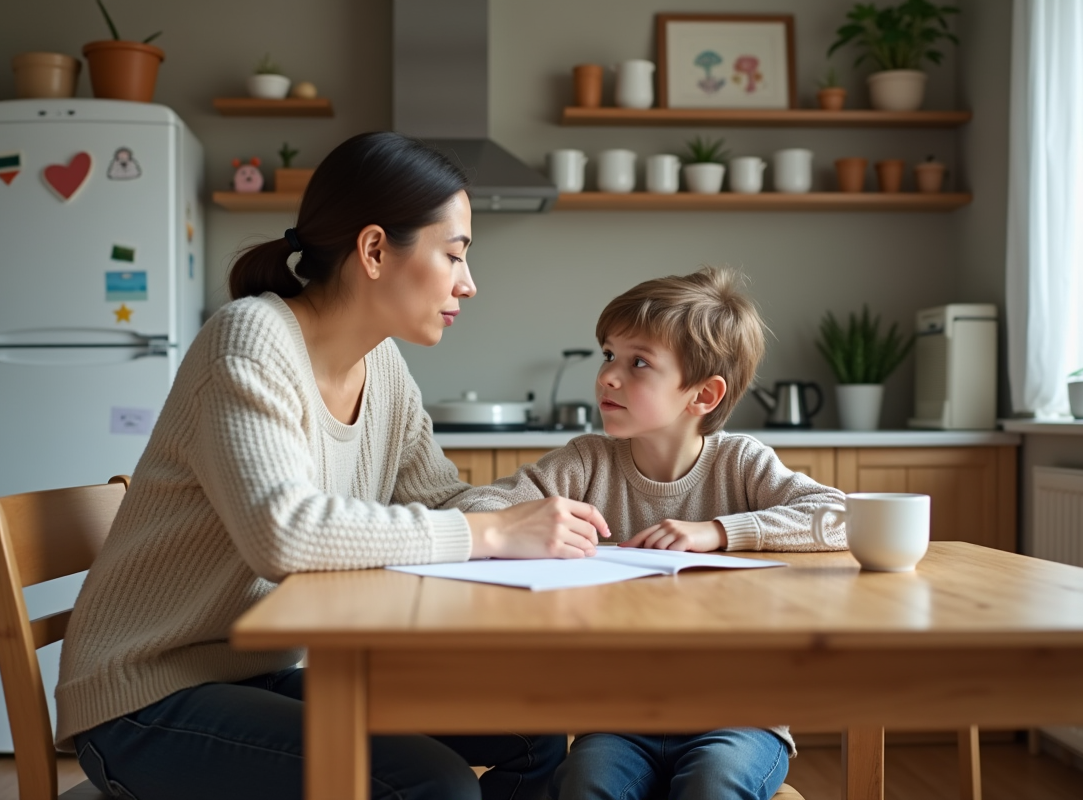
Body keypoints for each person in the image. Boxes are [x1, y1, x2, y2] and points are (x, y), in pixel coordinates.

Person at [54, 131, 610, 800]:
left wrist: (525, 522)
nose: (469, 282)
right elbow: (283, 536)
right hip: (146, 699)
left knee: (531, 729)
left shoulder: (381, 366)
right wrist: (493, 535)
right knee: (435, 784)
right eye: (454, 254)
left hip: (250, 676)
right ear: (374, 250)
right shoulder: (248, 340)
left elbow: (438, 495)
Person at [446, 267, 849, 800]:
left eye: (638, 363)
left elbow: (837, 514)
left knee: (713, 785)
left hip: (740, 718)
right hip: (618, 718)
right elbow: (474, 507)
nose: (609, 376)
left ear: (703, 394)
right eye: (608, 355)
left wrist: (719, 532)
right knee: (584, 784)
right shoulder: (586, 463)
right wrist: (520, 524)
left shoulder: (741, 463)